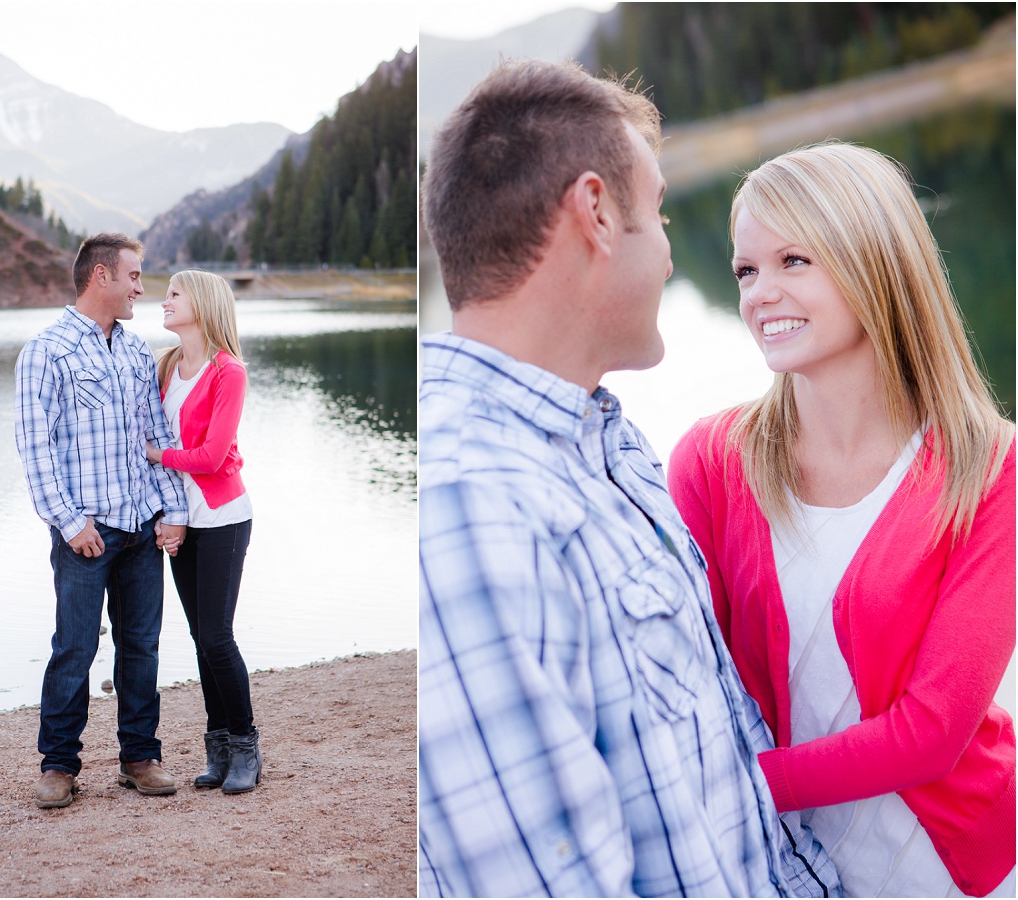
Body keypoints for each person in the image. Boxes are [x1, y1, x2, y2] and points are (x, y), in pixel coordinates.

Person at [418, 59, 839, 898]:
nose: (675, 259)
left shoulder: (601, 440)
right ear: (597, 213)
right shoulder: (472, 510)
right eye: (658, 215)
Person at [668, 142, 1015, 898]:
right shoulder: (709, 463)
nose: (761, 293)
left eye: (795, 260)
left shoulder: (991, 467)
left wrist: (734, 786)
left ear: (874, 261)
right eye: (746, 270)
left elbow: (933, 734)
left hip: (968, 870)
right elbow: (684, 674)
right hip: (787, 869)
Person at [15, 232, 189, 809]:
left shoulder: (138, 353)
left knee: (141, 647)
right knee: (75, 647)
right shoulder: (47, 350)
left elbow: (156, 438)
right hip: (85, 533)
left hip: (141, 527)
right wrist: (68, 522)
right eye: (135, 276)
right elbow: (34, 447)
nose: (142, 287)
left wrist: (173, 510)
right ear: (102, 278)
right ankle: (59, 765)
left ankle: (140, 758)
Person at [144, 269, 261, 794]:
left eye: (173, 294)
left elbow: (213, 457)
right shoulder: (168, 365)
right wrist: (168, 515)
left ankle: (246, 747)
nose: (162, 301)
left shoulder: (228, 371)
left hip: (223, 518)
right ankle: (216, 748)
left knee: (217, 635)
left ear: (203, 303)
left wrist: (157, 454)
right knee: (199, 637)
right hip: (181, 518)